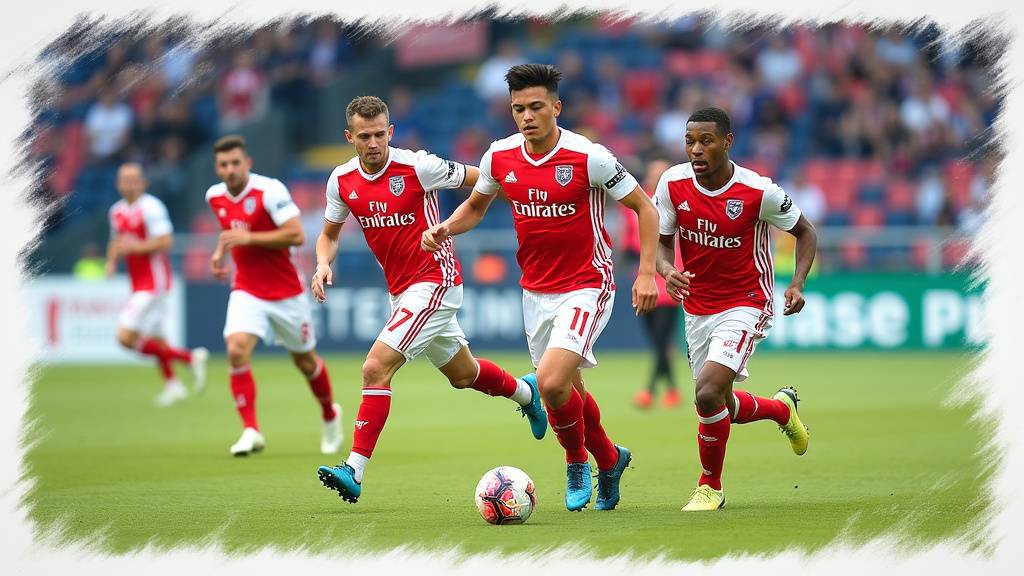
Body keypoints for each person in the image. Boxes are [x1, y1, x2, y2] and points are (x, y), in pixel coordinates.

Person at [423, 64, 660, 512]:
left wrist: (647, 271)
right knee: (568, 389)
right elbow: (476, 206)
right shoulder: (500, 157)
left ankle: (576, 462)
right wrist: (446, 228)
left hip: (587, 284)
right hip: (535, 290)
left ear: (556, 107)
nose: (527, 116)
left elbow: (643, 208)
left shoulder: (589, 157)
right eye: (518, 109)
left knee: (551, 384)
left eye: (536, 107)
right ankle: (610, 460)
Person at [313, 96, 547, 504]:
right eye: (363, 136)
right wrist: (320, 265)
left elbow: (485, 178)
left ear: (391, 131)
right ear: (349, 137)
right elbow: (330, 233)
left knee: (375, 367)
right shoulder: (341, 180)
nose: (372, 143)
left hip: (435, 281)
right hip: (401, 290)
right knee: (463, 374)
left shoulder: (418, 166)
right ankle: (528, 395)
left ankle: (353, 468)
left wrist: (526, 201)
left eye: (379, 134)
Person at [653, 107, 816, 511]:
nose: (696, 149)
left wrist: (796, 283)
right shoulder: (672, 184)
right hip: (697, 307)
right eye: (690, 141)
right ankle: (782, 409)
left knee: (705, 393)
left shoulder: (759, 192)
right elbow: (659, 242)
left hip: (746, 302)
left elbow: (805, 231)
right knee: (721, 402)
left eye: (705, 140)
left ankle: (710, 486)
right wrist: (667, 269)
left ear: (727, 142)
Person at [205, 135, 341, 456]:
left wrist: (248, 239)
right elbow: (231, 235)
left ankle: (329, 414)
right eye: (224, 165)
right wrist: (218, 254)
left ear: (247, 163)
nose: (230, 170)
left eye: (235, 163)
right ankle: (251, 429)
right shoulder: (215, 196)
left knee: (305, 362)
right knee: (236, 349)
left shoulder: (270, 190)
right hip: (247, 289)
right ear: (217, 168)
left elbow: (296, 235)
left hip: (286, 292)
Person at [106, 162, 208, 406]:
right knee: (157, 339)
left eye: (134, 178)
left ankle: (189, 357)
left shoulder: (151, 207)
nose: (129, 183)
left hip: (154, 283)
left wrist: (135, 247)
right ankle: (174, 386)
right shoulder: (116, 211)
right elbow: (117, 241)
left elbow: (165, 241)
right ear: (118, 184)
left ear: (143, 182)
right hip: (138, 281)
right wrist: (110, 262)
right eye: (125, 179)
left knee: (125, 337)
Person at [622, 158, 682, 410]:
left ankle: (648, 391)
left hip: (669, 281)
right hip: (644, 280)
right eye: (652, 172)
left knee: (660, 340)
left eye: (660, 173)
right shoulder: (637, 204)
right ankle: (672, 390)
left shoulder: (677, 203)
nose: (655, 177)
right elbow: (630, 243)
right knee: (658, 341)